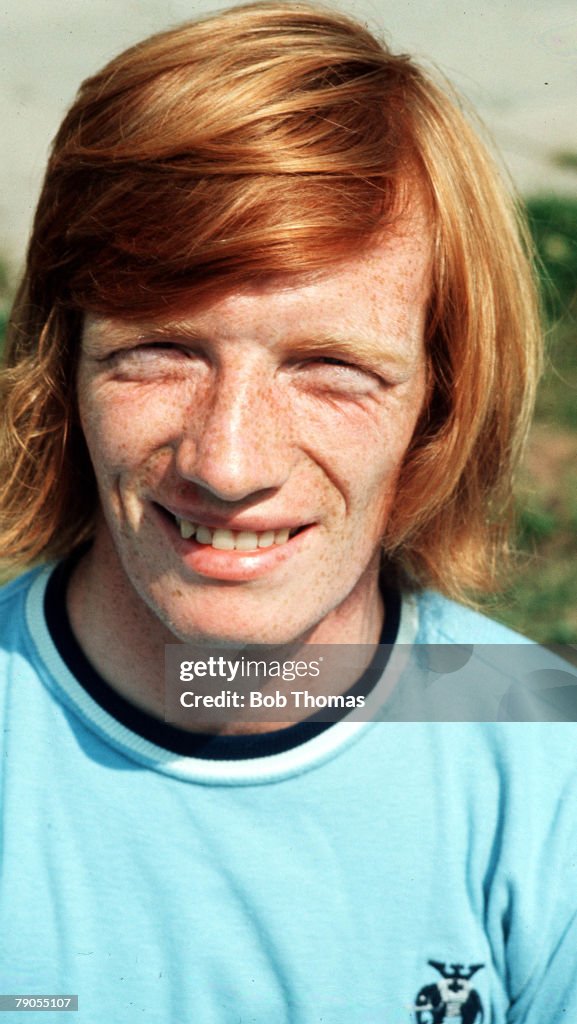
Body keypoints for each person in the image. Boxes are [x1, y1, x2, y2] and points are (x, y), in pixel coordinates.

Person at [1, 3, 576, 1021]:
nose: (227, 462)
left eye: (329, 369)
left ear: (441, 400)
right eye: (161, 349)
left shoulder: (544, 763)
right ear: (63, 360)